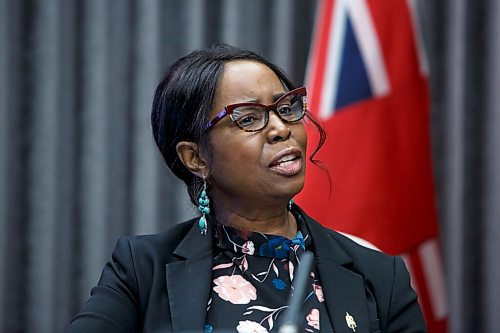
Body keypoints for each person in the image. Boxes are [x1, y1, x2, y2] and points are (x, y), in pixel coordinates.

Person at [67, 44, 426, 333]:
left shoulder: (378, 275)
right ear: (196, 158)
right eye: (249, 118)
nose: (281, 129)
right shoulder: (142, 269)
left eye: (286, 107)